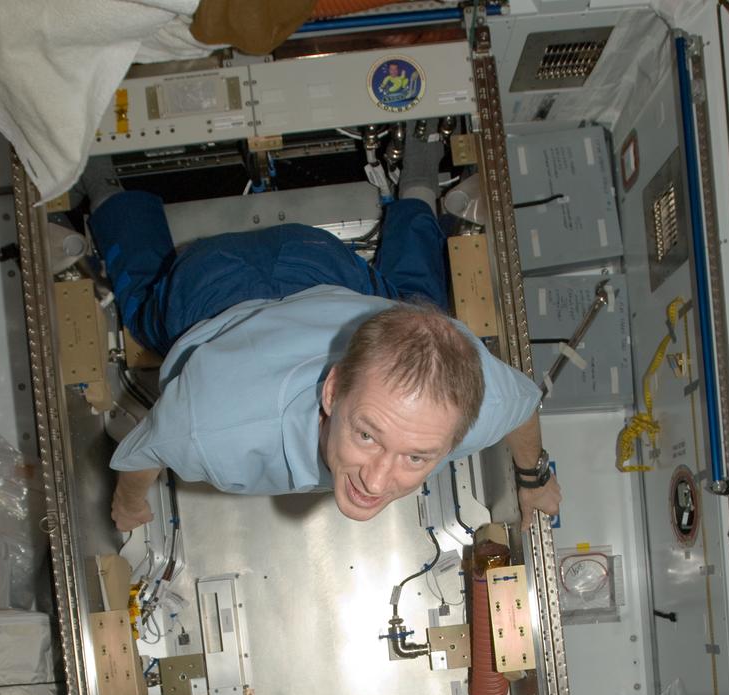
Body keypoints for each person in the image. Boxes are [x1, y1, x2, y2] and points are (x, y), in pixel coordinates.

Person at [80, 126, 562, 534]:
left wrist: (533, 479)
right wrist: (129, 505)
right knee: (146, 312)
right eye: (368, 435)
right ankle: (96, 174)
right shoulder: (208, 427)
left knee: (419, 306)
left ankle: (419, 168)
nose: (376, 482)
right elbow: (141, 453)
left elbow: (521, 405)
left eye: (416, 458)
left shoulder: (475, 400)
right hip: (217, 285)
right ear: (332, 391)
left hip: (322, 265)